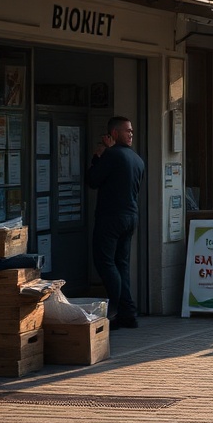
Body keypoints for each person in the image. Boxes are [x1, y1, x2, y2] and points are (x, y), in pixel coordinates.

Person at [87, 115, 145, 330]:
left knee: (105, 262)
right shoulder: (137, 159)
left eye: (131, 131)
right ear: (115, 133)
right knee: (122, 265)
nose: (131, 134)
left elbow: (92, 180)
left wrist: (98, 157)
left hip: (111, 217)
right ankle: (128, 314)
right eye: (127, 130)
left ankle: (116, 310)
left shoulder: (111, 156)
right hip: (130, 217)